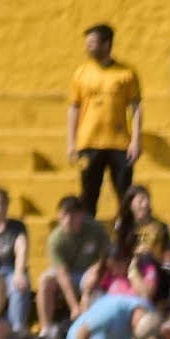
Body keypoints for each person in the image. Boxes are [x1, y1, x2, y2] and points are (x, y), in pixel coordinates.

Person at [65, 25, 143, 221]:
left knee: (125, 197)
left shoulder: (126, 73)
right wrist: (71, 143)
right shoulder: (81, 73)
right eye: (87, 44)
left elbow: (135, 108)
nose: (88, 47)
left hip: (119, 144)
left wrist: (135, 140)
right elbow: (73, 108)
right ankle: (88, 243)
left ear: (106, 44)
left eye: (92, 43)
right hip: (88, 143)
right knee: (88, 196)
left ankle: (126, 242)